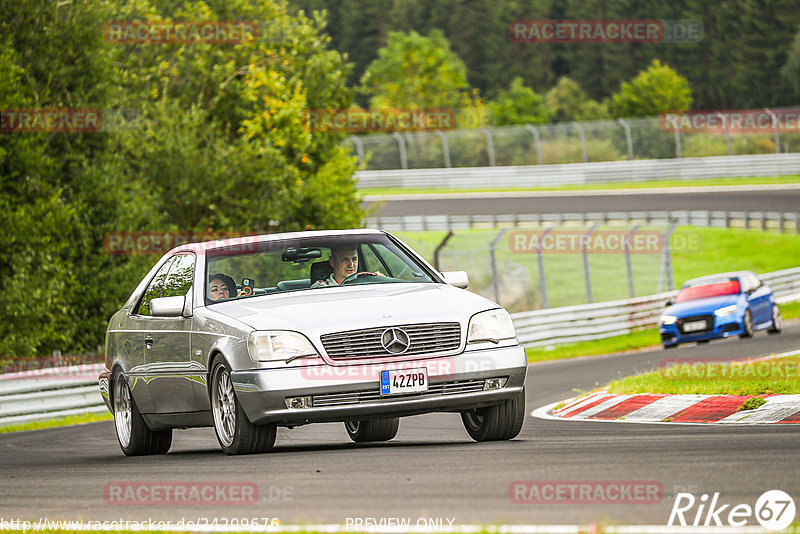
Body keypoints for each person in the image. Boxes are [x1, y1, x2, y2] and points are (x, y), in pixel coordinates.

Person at [311, 246, 383, 288]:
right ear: (333, 262)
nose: (351, 265)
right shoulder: (320, 287)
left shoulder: (368, 283)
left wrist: (381, 280)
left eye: (354, 259)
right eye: (345, 260)